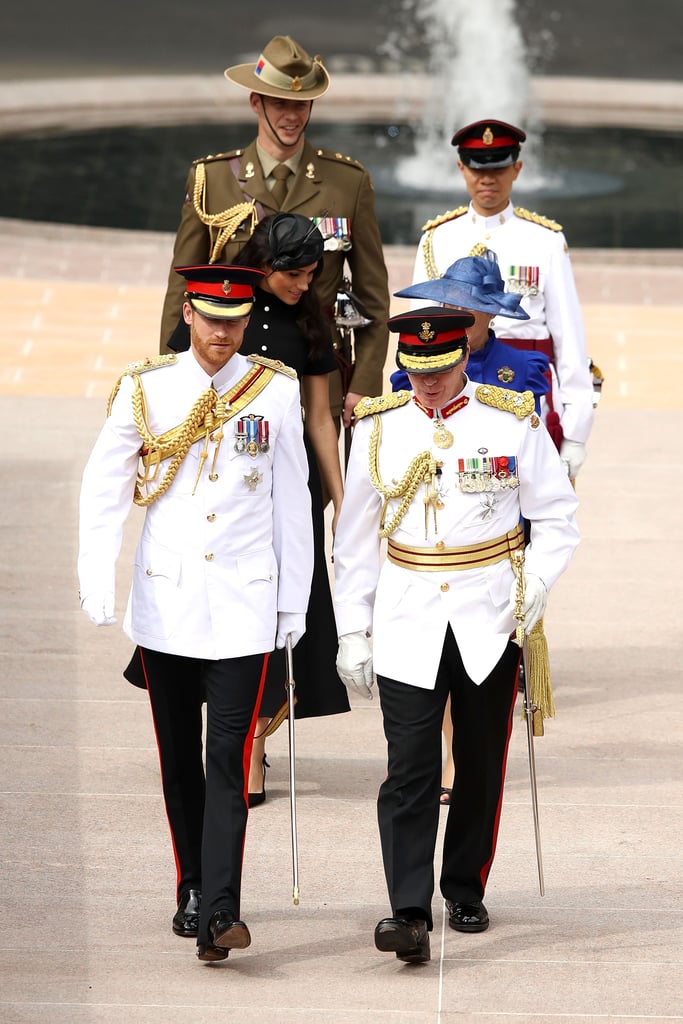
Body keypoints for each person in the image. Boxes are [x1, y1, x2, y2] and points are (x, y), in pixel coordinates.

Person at [78, 265, 314, 963]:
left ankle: (221, 910)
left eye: (234, 322)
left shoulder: (273, 390)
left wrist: (293, 598)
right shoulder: (145, 388)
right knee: (179, 757)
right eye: (211, 319)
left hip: (245, 603)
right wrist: (98, 577)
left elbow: (290, 503)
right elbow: (105, 486)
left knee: (229, 759)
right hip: (168, 602)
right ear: (188, 313)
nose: (221, 334)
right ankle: (189, 885)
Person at [333, 308, 579, 963]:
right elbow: (354, 540)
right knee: (408, 770)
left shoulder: (510, 419)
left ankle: (463, 885)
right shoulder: (380, 426)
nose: (427, 382)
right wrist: (350, 629)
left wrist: (536, 589)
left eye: (438, 369)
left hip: (488, 615)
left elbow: (556, 517)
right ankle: (407, 911)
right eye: (415, 370)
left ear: (462, 356)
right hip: (407, 613)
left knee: (477, 764)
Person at [159, 33, 390, 434]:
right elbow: (182, 289)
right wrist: (172, 371)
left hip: (316, 377)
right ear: (256, 102)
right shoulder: (212, 179)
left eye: (302, 105)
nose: (292, 115)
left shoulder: (347, 182)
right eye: (281, 103)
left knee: (312, 493)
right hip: (229, 372)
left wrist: (365, 384)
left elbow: (372, 295)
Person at [392, 248, 550, 805]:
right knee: (435, 656)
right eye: (450, 301)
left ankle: (465, 762)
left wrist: (533, 565)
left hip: (497, 529)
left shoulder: (523, 368)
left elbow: (536, 455)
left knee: (479, 658)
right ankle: (446, 757)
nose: (459, 311)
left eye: (472, 306)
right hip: (432, 533)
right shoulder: (408, 367)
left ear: (491, 313)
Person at [235, 212, 350, 800]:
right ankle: (233, 734)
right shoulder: (220, 305)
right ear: (266, 265)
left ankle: (254, 746)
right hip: (227, 489)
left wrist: (341, 500)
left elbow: (322, 419)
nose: (304, 286)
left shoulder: (310, 324)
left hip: (289, 488)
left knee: (287, 613)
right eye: (296, 276)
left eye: (311, 275)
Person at [411, 118, 593, 479]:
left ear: (517, 168)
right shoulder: (436, 238)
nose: (488, 179)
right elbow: (420, 330)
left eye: (499, 168)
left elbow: (569, 339)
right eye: (478, 169)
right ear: (461, 168)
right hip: (453, 381)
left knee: (536, 503)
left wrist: (576, 431)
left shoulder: (545, 240)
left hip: (528, 384)